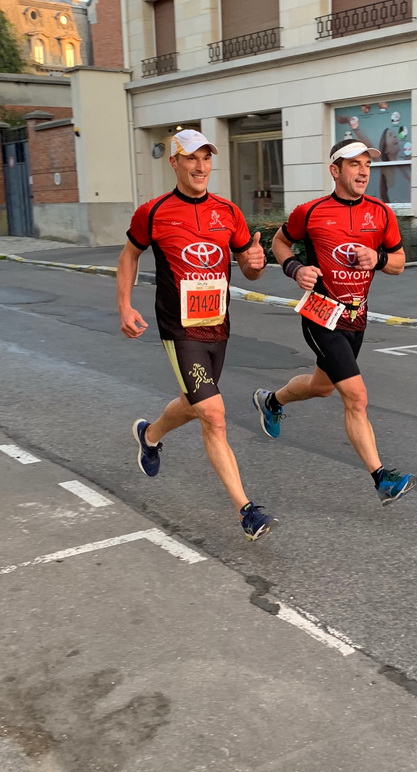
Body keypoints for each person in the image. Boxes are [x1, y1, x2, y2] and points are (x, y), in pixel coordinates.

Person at [117, 129, 277, 541]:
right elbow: (130, 253)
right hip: (179, 328)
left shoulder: (228, 212)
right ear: (174, 162)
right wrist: (125, 305)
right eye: (191, 158)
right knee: (214, 414)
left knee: (196, 404)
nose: (200, 166)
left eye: (206, 158)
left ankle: (149, 435)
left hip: (218, 327)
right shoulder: (153, 212)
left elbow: (249, 266)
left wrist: (256, 262)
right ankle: (247, 511)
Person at [252, 139, 417, 505]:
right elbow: (280, 242)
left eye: (366, 165)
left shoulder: (381, 213)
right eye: (354, 164)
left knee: (322, 386)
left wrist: (377, 258)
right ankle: (381, 479)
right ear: (335, 171)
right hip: (321, 315)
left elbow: (400, 262)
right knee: (356, 397)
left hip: (357, 317)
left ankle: (271, 401)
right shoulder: (310, 212)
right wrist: (295, 268)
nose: (362, 172)